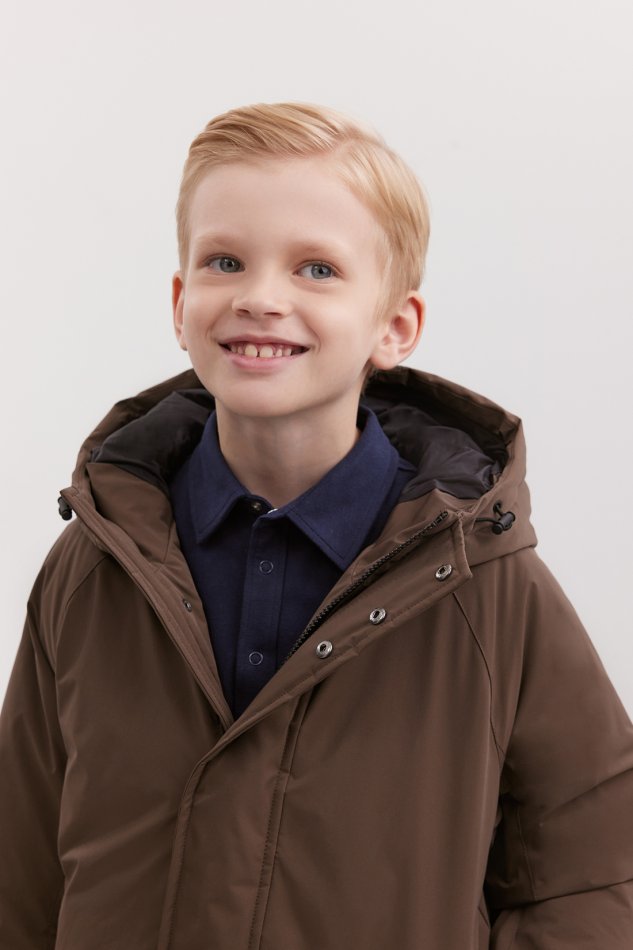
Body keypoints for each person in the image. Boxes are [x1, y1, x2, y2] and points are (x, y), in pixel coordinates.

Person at [0, 102, 631, 950]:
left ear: (394, 327)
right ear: (181, 303)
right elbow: (21, 872)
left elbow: (594, 870)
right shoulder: (94, 567)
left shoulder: (485, 583)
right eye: (225, 261)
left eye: (317, 270)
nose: (260, 298)